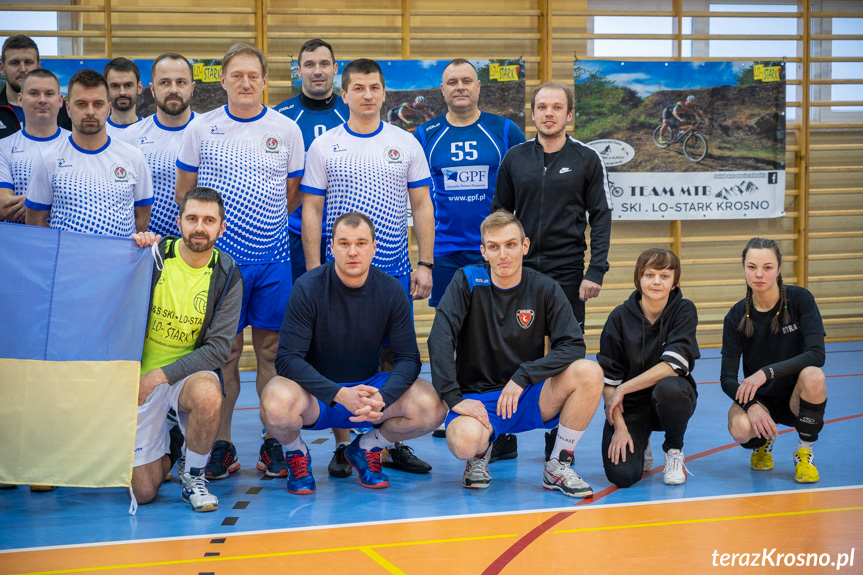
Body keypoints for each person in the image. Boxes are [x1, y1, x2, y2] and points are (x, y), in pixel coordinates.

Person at [176, 43, 305, 482]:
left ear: (266, 80)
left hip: (272, 260)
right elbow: (187, 195)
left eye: (254, 75)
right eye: (237, 75)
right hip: (221, 267)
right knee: (224, 354)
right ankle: (223, 445)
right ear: (223, 80)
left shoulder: (286, 130)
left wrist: (260, 230)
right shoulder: (201, 129)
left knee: (271, 351)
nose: (246, 82)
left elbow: (291, 194)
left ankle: (273, 444)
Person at [260, 212, 446, 493]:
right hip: (317, 396)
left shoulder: (392, 291)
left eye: (361, 243)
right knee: (274, 401)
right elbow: (287, 359)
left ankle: (368, 447)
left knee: (431, 407)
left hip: (369, 392)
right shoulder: (307, 288)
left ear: (374, 247)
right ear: (331, 247)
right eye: (344, 243)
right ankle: (296, 452)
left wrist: (383, 397)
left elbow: (409, 359)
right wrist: (337, 394)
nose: (353, 251)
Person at [427, 210, 603, 497]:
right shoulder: (466, 281)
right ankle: (479, 454)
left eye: (510, 245)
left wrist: (525, 376)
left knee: (590, 372)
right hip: (479, 400)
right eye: (494, 247)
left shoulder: (544, 287)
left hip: (529, 394)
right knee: (462, 443)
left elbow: (573, 345)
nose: (503, 255)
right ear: (483, 251)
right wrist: (453, 397)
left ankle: (558, 464)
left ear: (525, 246)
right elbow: (440, 338)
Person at [414, 57, 526, 453]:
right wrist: (424, 258)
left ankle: (504, 427)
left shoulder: (503, 129)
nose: (459, 87)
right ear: (441, 91)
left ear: (479, 87)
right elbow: (419, 198)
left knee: (501, 334)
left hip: (492, 252)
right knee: (453, 335)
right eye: (451, 82)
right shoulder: (425, 134)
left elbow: (522, 183)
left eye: (466, 80)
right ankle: (459, 408)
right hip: (446, 249)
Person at [130, 186, 243, 512]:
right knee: (143, 492)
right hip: (137, 379)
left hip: (183, 377)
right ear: (178, 221)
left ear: (221, 228)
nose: (199, 227)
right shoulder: (152, 255)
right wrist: (137, 247)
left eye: (209, 220)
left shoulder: (228, 274)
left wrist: (157, 377)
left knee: (210, 394)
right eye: (192, 218)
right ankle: (175, 443)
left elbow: (219, 350)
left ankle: (193, 475)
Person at [300, 57, 434, 305]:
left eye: (374, 88)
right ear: (344, 95)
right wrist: (313, 270)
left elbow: (422, 205)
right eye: (359, 88)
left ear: (384, 94)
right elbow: (312, 209)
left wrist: (425, 263)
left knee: (394, 345)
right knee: (339, 344)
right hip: (339, 272)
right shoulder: (323, 145)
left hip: (394, 271)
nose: (368, 95)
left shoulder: (407, 143)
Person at [491, 82, 612, 330]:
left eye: (557, 107)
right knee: (517, 348)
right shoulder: (515, 158)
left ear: (568, 115)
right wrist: (494, 264)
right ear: (533, 114)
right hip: (519, 269)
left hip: (568, 271)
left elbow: (601, 216)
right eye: (542, 107)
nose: (549, 113)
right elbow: (499, 216)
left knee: (567, 350)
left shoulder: (586, 158)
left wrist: (595, 271)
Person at [721, 237, 827, 484]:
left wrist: (765, 373)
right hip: (762, 399)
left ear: (779, 269)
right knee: (739, 427)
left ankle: (805, 451)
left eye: (767, 267)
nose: (759, 274)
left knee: (814, 375)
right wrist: (752, 406)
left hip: (795, 398)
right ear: (744, 269)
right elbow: (727, 379)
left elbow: (817, 354)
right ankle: (763, 442)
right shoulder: (736, 316)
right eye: (752, 267)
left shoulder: (800, 300)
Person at [599, 248, 699, 487]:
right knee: (622, 477)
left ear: (674, 282)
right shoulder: (618, 318)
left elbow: (672, 366)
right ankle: (640, 440)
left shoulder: (684, 310)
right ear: (639, 278)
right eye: (650, 274)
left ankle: (674, 451)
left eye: (664, 276)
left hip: (668, 399)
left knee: (670, 388)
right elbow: (610, 383)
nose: (656, 281)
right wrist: (620, 428)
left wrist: (624, 388)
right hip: (630, 405)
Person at [24, 69, 153, 235]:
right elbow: (35, 222)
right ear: (69, 109)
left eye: (98, 104)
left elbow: (142, 217)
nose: (90, 111)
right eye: (82, 104)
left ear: (108, 108)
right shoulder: (48, 159)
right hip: (68, 261)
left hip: (120, 260)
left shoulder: (133, 156)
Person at [121, 53, 196, 239]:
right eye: (164, 82)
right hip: (148, 249)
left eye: (181, 82)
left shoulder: (209, 133)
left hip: (199, 247)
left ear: (192, 88)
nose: (173, 89)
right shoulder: (130, 138)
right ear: (152, 89)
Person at [0, 69, 69, 223]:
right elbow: (3, 205)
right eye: (34, 93)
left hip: (64, 240)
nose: (42, 100)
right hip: (17, 242)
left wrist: (33, 205)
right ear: (20, 99)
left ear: (60, 101)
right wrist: (54, 206)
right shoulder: (3, 147)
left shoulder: (77, 144)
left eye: (49, 94)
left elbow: (86, 200)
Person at [0, 35, 72, 140]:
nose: (23, 69)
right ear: (2, 68)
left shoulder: (66, 110)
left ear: (38, 67)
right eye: (15, 63)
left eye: (28, 62)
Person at [103, 57, 143, 133]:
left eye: (128, 85)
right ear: (105, 89)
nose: (122, 92)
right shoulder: (97, 133)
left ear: (139, 87)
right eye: (115, 86)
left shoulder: (151, 131)